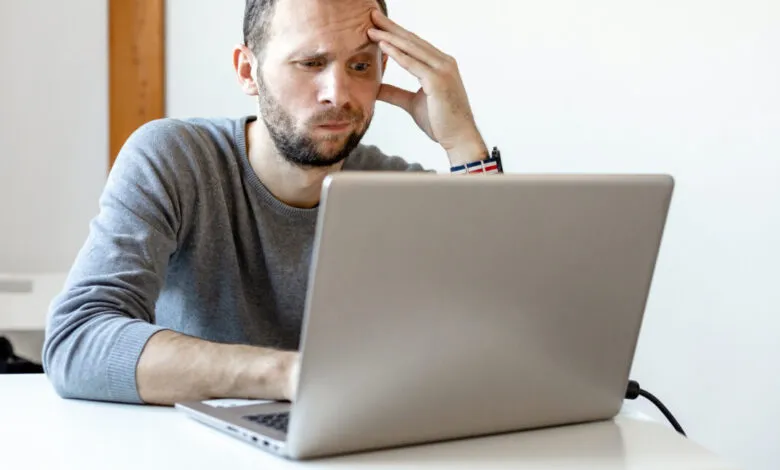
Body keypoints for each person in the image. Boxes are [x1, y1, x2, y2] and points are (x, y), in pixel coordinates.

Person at [42, 0, 500, 406]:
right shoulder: (175, 159)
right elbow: (77, 340)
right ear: (247, 71)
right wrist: (292, 375)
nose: (337, 94)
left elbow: (512, 327)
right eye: (310, 63)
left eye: (361, 66)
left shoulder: (392, 189)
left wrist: (462, 140)